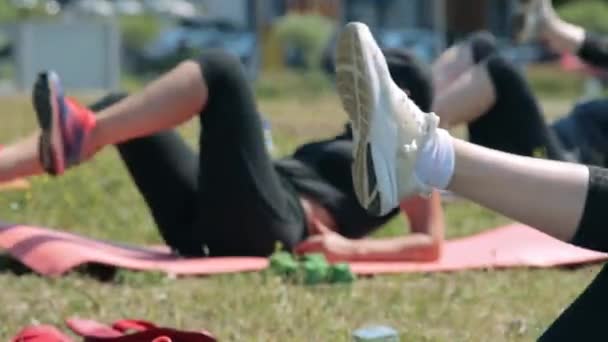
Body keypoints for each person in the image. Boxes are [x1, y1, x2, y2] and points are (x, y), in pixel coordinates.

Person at [0, 48, 444, 262]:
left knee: (223, 72)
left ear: (400, 94)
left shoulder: (407, 150)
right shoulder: (348, 139)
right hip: (209, 222)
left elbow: (431, 245)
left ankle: (82, 136)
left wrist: (347, 250)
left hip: (271, 229)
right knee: (117, 106)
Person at [335, 20, 608, 340]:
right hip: (554, 165)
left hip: (565, 162)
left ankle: (415, 148)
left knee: (501, 71)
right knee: (483, 48)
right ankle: (409, 144)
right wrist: (548, 24)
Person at [430, 0, 608, 167]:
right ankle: (412, 106)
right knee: (480, 46)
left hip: (560, 173)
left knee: (499, 72)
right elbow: (597, 51)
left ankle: (413, 134)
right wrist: (553, 28)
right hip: (542, 146)